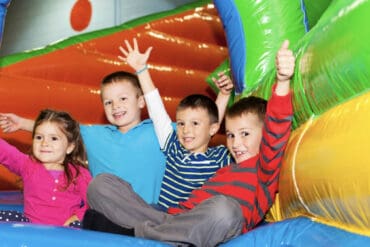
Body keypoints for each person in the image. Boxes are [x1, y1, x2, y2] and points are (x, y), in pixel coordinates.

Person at [83, 39, 295, 246]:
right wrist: (142, 70)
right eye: (230, 135)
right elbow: (196, 125)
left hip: (209, 221)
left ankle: (135, 232)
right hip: (171, 217)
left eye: (245, 134)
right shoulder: (217, 160)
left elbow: (274, 129)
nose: (236, 143)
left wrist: (283, 81)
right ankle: (161, 235)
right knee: (100, 185)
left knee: (225, 210)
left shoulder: (261, 167)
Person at [0, 66, 233, 206]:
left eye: (123, 99)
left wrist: (223, 96)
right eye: (108, 102)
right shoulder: (96, 135)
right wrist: (21, 123)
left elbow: (201, 129)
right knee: (100, 187)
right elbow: (59, 131)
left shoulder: (160, 132)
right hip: (110, 213)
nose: (115, 106)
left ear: (141, 102)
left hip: (150, 210)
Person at [118, 38, 233, 210]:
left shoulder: (220, 157)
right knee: (105, 186)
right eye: (180, 123)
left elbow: (211, 121)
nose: (186, 130)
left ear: (213, 129)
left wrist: (224, 95)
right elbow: (156, 110)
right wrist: (142, 70)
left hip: (193, 221)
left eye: (194, 123)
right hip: (163, 215)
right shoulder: (173, 147)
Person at [0, 109, 91, 227]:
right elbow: (5, 152)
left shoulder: (79, 173)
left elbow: (92, 202)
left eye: (53, 138)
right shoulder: (27, 165)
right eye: (39, 137)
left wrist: (77, 217)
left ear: (69, 147)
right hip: (30, 226)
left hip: (66, 230)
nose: (44, 143)